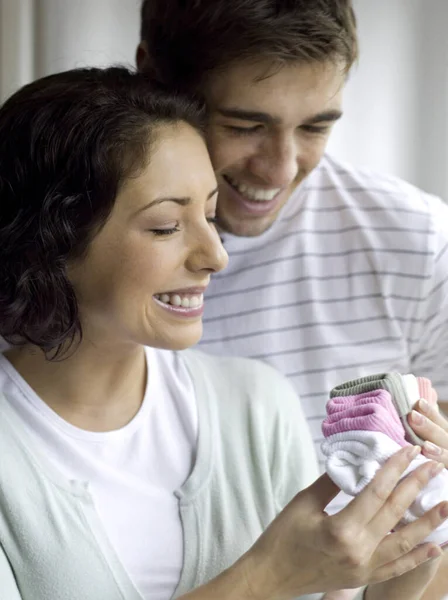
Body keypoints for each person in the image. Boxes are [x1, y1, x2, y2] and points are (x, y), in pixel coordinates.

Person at [0, 66, 446, 600]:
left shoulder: (256, 405)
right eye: (167, 226)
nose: (216, 255)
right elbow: (282, 577)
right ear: (50, 239)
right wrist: (268, 577)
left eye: (210, 215)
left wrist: (415, 542)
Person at [136, 2, 448, 595]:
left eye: (315, 127)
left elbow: (434, 535)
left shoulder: (418, 243)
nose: (280, 168)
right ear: (153, 79)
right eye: (245, 125)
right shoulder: (69, 264)